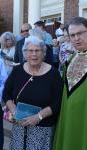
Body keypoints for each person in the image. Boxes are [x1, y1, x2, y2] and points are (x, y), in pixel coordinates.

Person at [3, 36, 63, 150]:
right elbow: (6, 94)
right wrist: (14, 110)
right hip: (19, 126)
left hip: (42, 127)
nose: (34, 54)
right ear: (25, 53)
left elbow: (57, 103)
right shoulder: (17, 70)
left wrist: (38, 117)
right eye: (30, 51)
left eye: (37, 50)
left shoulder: (53, 74)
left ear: (43, 53)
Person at [53, 17, 87, 150]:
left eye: (81, 33)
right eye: (72, 35)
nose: (76, 38)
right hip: (67, 118)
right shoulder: (71, 59)